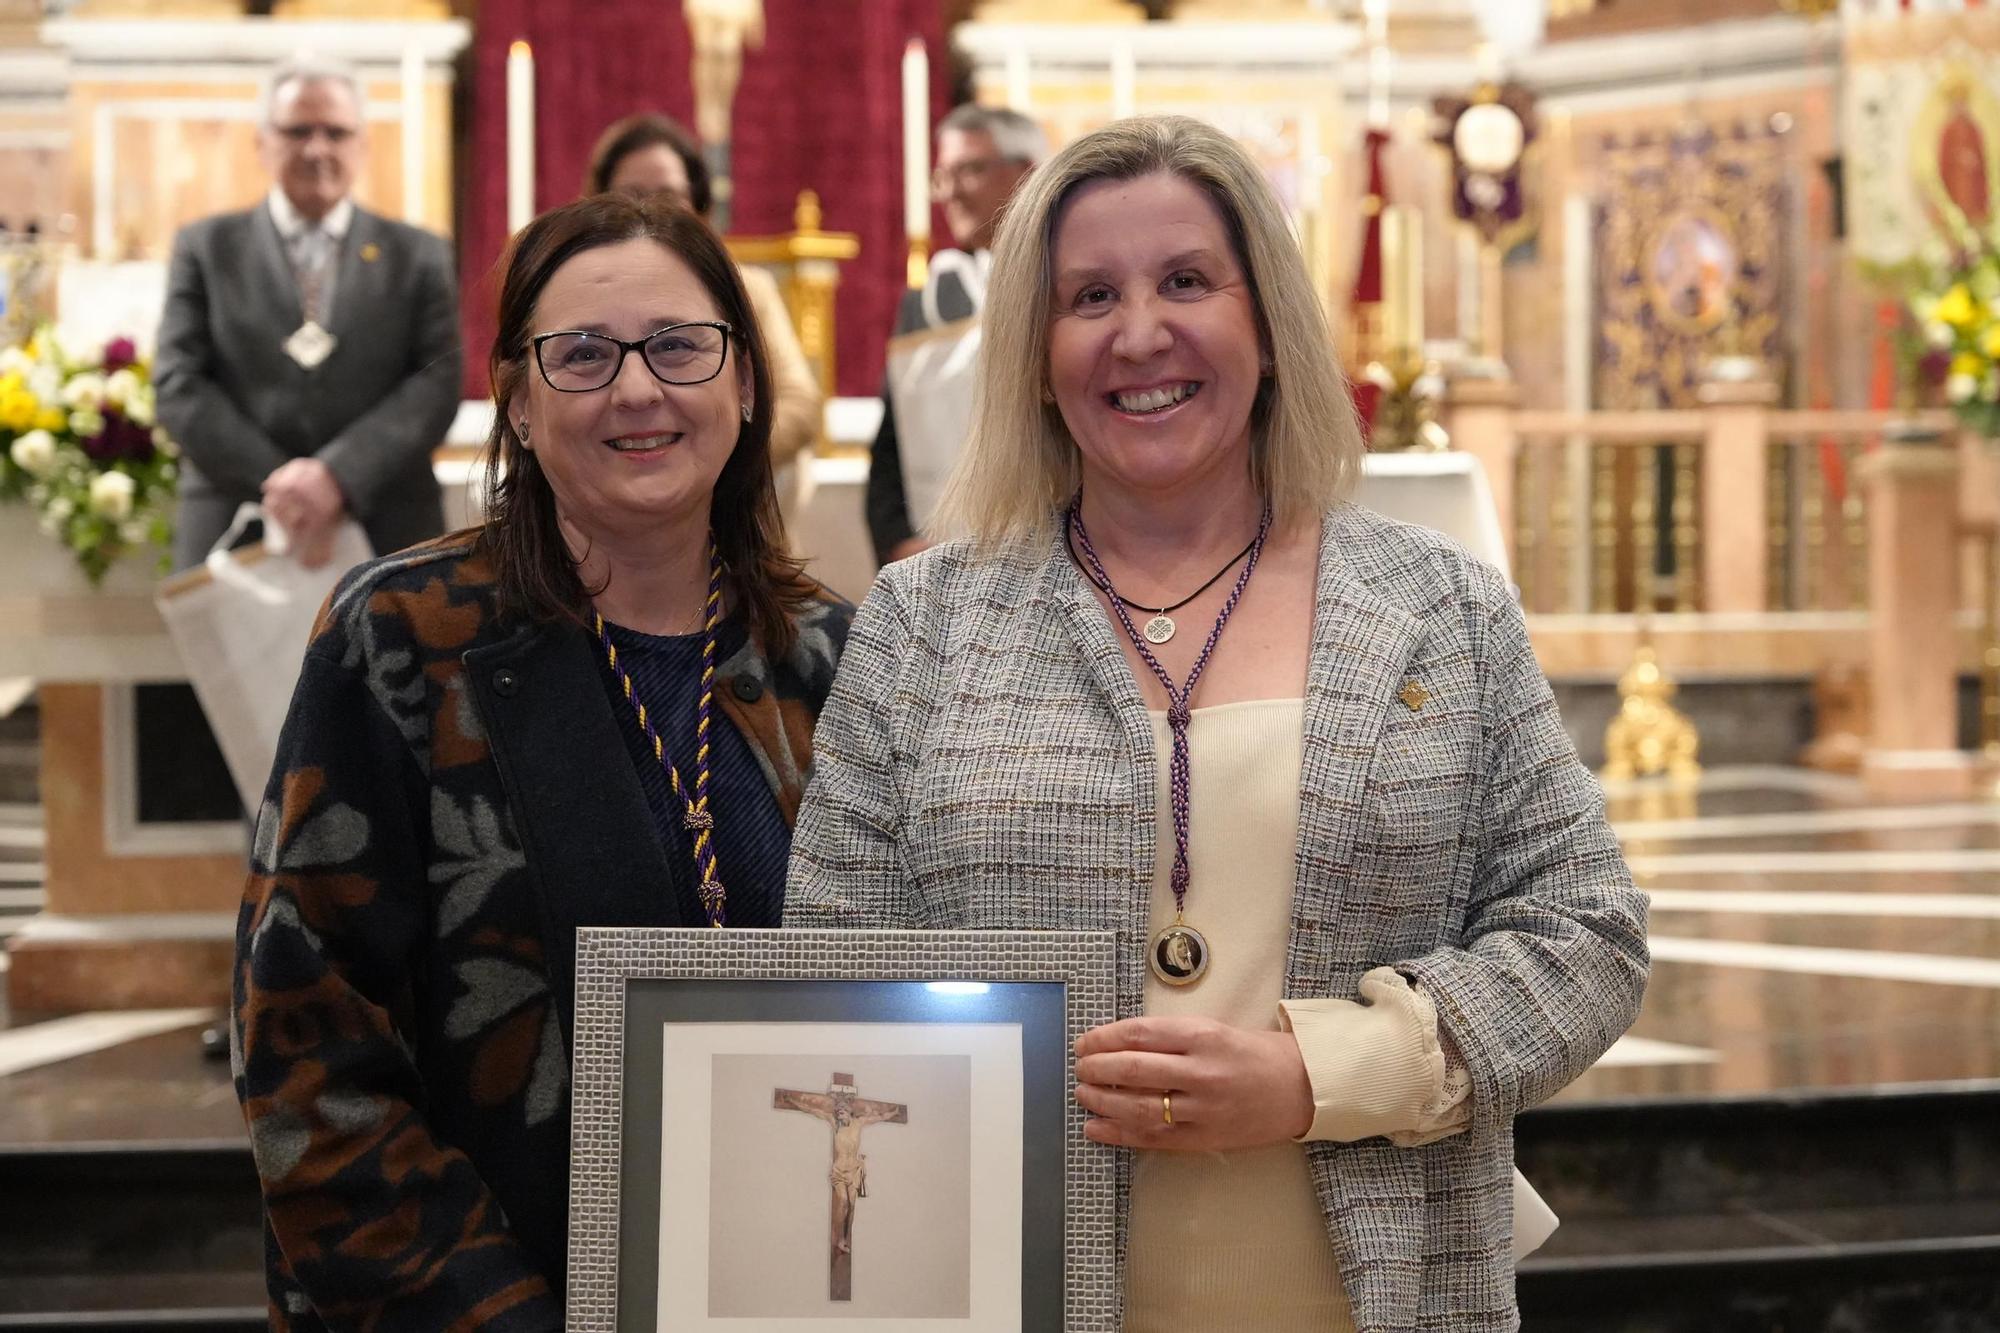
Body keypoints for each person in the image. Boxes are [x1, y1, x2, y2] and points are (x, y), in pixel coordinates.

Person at [787, 115, 1648, 1331]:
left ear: (1266, 322)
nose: (1140, 333)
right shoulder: (925, 621)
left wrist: (1322, 1072)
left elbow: (1585, 931)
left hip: (1376, 1299)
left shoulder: (1433, 606)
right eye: (1089, 295)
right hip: (1001, 1289)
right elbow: (832, 972)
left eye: (1186, 281)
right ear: (1033, 352)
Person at [232, 192, 852, 1327]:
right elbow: (307, 1048)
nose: (635, 389)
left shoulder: (832, 655)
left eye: (678, 346)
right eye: (580, 356)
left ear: (746, 383)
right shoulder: (400, 639)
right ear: (516, 404)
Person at [155, 57, 461, 571]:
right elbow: (177, 383)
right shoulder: (205, 248)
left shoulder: (420, 255)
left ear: (362, 145)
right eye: (298, 131)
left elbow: (437, 382)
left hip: (386, 522)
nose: (318, 148)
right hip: (236, 521)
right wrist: (284, 483)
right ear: (262, 142)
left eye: (336, 132)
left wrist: (337, 476)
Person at [583, 111, 823, 474]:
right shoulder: (576, 296)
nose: (648, 211)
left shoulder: (747, 290)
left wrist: (705, 459)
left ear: (699, 206)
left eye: (668, 196)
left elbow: (801, 405)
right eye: (629, 196)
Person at [866, 103, 1046, 565]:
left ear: (1026, 173)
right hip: (942, 565)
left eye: (970, 171)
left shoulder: (1072, 284)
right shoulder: (929, 301)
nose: (950, 194)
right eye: (942, 176)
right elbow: (890, 449)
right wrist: (900, 541)